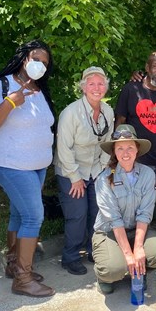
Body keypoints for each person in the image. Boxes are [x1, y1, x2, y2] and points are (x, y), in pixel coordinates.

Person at [0, 40, 56, 297]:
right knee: (34, 216)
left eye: (45, 63)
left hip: (37, 166)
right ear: (23, 59)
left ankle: (13, 264)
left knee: (19, 215)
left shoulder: (40, 91)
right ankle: (23, 278)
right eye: (36, 59)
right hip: (10, 164)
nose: (40, 65)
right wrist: (10, 103)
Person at [92, 124, 156, 294]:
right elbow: (114, 220)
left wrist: (138, 248)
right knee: (112, 269)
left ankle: (140, 271)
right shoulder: (104, 178)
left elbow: (145, 214)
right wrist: (129, 254)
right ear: (114, 151)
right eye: (120, 148)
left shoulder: (148, 174)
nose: (125, 153)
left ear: (137, 150)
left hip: (136, 230)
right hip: (110, 232)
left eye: (130, 147)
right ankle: (104, 276)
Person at [55, 66, 114, 275]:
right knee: (77, 215)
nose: (96, 88)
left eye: (100, 83)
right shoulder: (70, 113)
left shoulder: (108, 111)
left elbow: (108, 143)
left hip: (95, 170)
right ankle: (70, 257)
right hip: (71, 171)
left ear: (105, 87)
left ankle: (93, 251)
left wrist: (102, 171)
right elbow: (64, 148)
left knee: (97, 212)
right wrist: (75, 178)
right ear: (83, 87)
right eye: (91, 84)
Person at [114, 52, 156, 235]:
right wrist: (116, 154)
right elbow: (120, 121)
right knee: (137, 199)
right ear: (147, 67)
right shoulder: (130, 89)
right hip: (139, 159)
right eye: (155, 67)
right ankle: (137, 236)